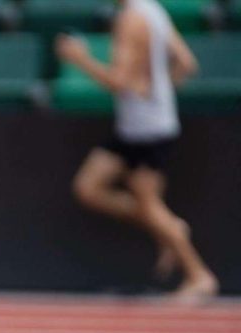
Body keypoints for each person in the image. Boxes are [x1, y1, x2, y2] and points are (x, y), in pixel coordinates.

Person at [55, 1, 219, 300]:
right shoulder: (155, 11)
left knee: (147, 204)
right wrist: (160, 94)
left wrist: (79, 58)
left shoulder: (131, 19)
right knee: (88, 187)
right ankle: (169, 226)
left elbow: (119, 82)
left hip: (146, 130)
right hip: (141, 126)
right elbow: (186, 63)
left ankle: (199, 274)